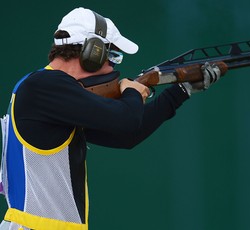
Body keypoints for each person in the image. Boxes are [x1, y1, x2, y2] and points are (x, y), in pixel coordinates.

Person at [0, 7, 222, 230]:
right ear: (92, 53)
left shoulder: (45, 89)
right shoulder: (45, 86)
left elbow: (127, 136)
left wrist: (180, 91)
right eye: (112, 56)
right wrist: (132, 91)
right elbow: (126, 121)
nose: (114, 66)